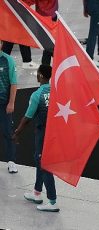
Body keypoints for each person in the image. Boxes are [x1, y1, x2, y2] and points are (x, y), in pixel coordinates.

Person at [13, 65, 59, 212]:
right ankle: (37, 193)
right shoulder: (57, 91)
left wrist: (17, 132)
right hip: (54, 134)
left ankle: (53, 202)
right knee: (40, 161)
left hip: (43, 135)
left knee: (45, 165)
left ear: (39, 75)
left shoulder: (37, 95)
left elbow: (27, 118)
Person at [0, 41, 18, 173]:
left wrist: (11, 102)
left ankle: (12, 162)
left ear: (1, 44)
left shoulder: (8, 60)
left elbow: (13, 83)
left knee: (8, 132)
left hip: (4, 103)